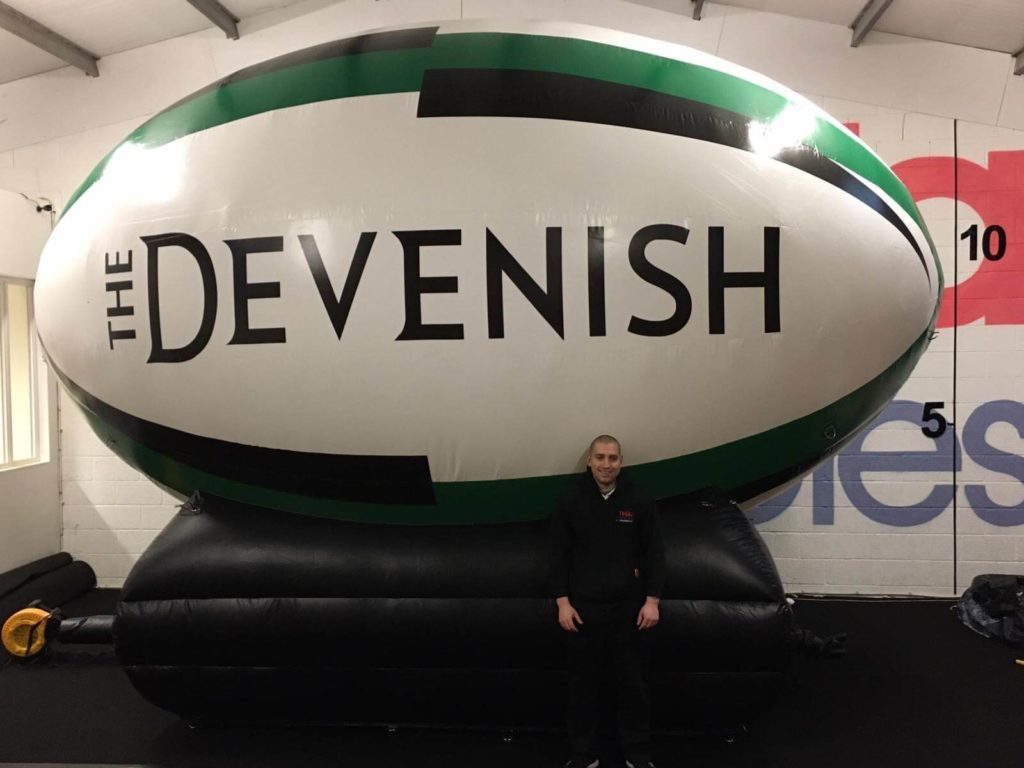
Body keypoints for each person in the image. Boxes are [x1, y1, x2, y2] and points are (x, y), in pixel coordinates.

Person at [548, 435, 666, 768]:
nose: (606, 464)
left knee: (633, 685)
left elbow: (655, 552)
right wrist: (562, 603)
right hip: (582, 611)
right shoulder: (571, 499)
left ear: (621, 462)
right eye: (599, 457)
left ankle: (637, 753)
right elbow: (557, 554)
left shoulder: (639, 498)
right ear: (589, 460)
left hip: (630, 611)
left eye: (612, 458)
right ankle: (583, 754)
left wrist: (652, 600)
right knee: (582, 687)